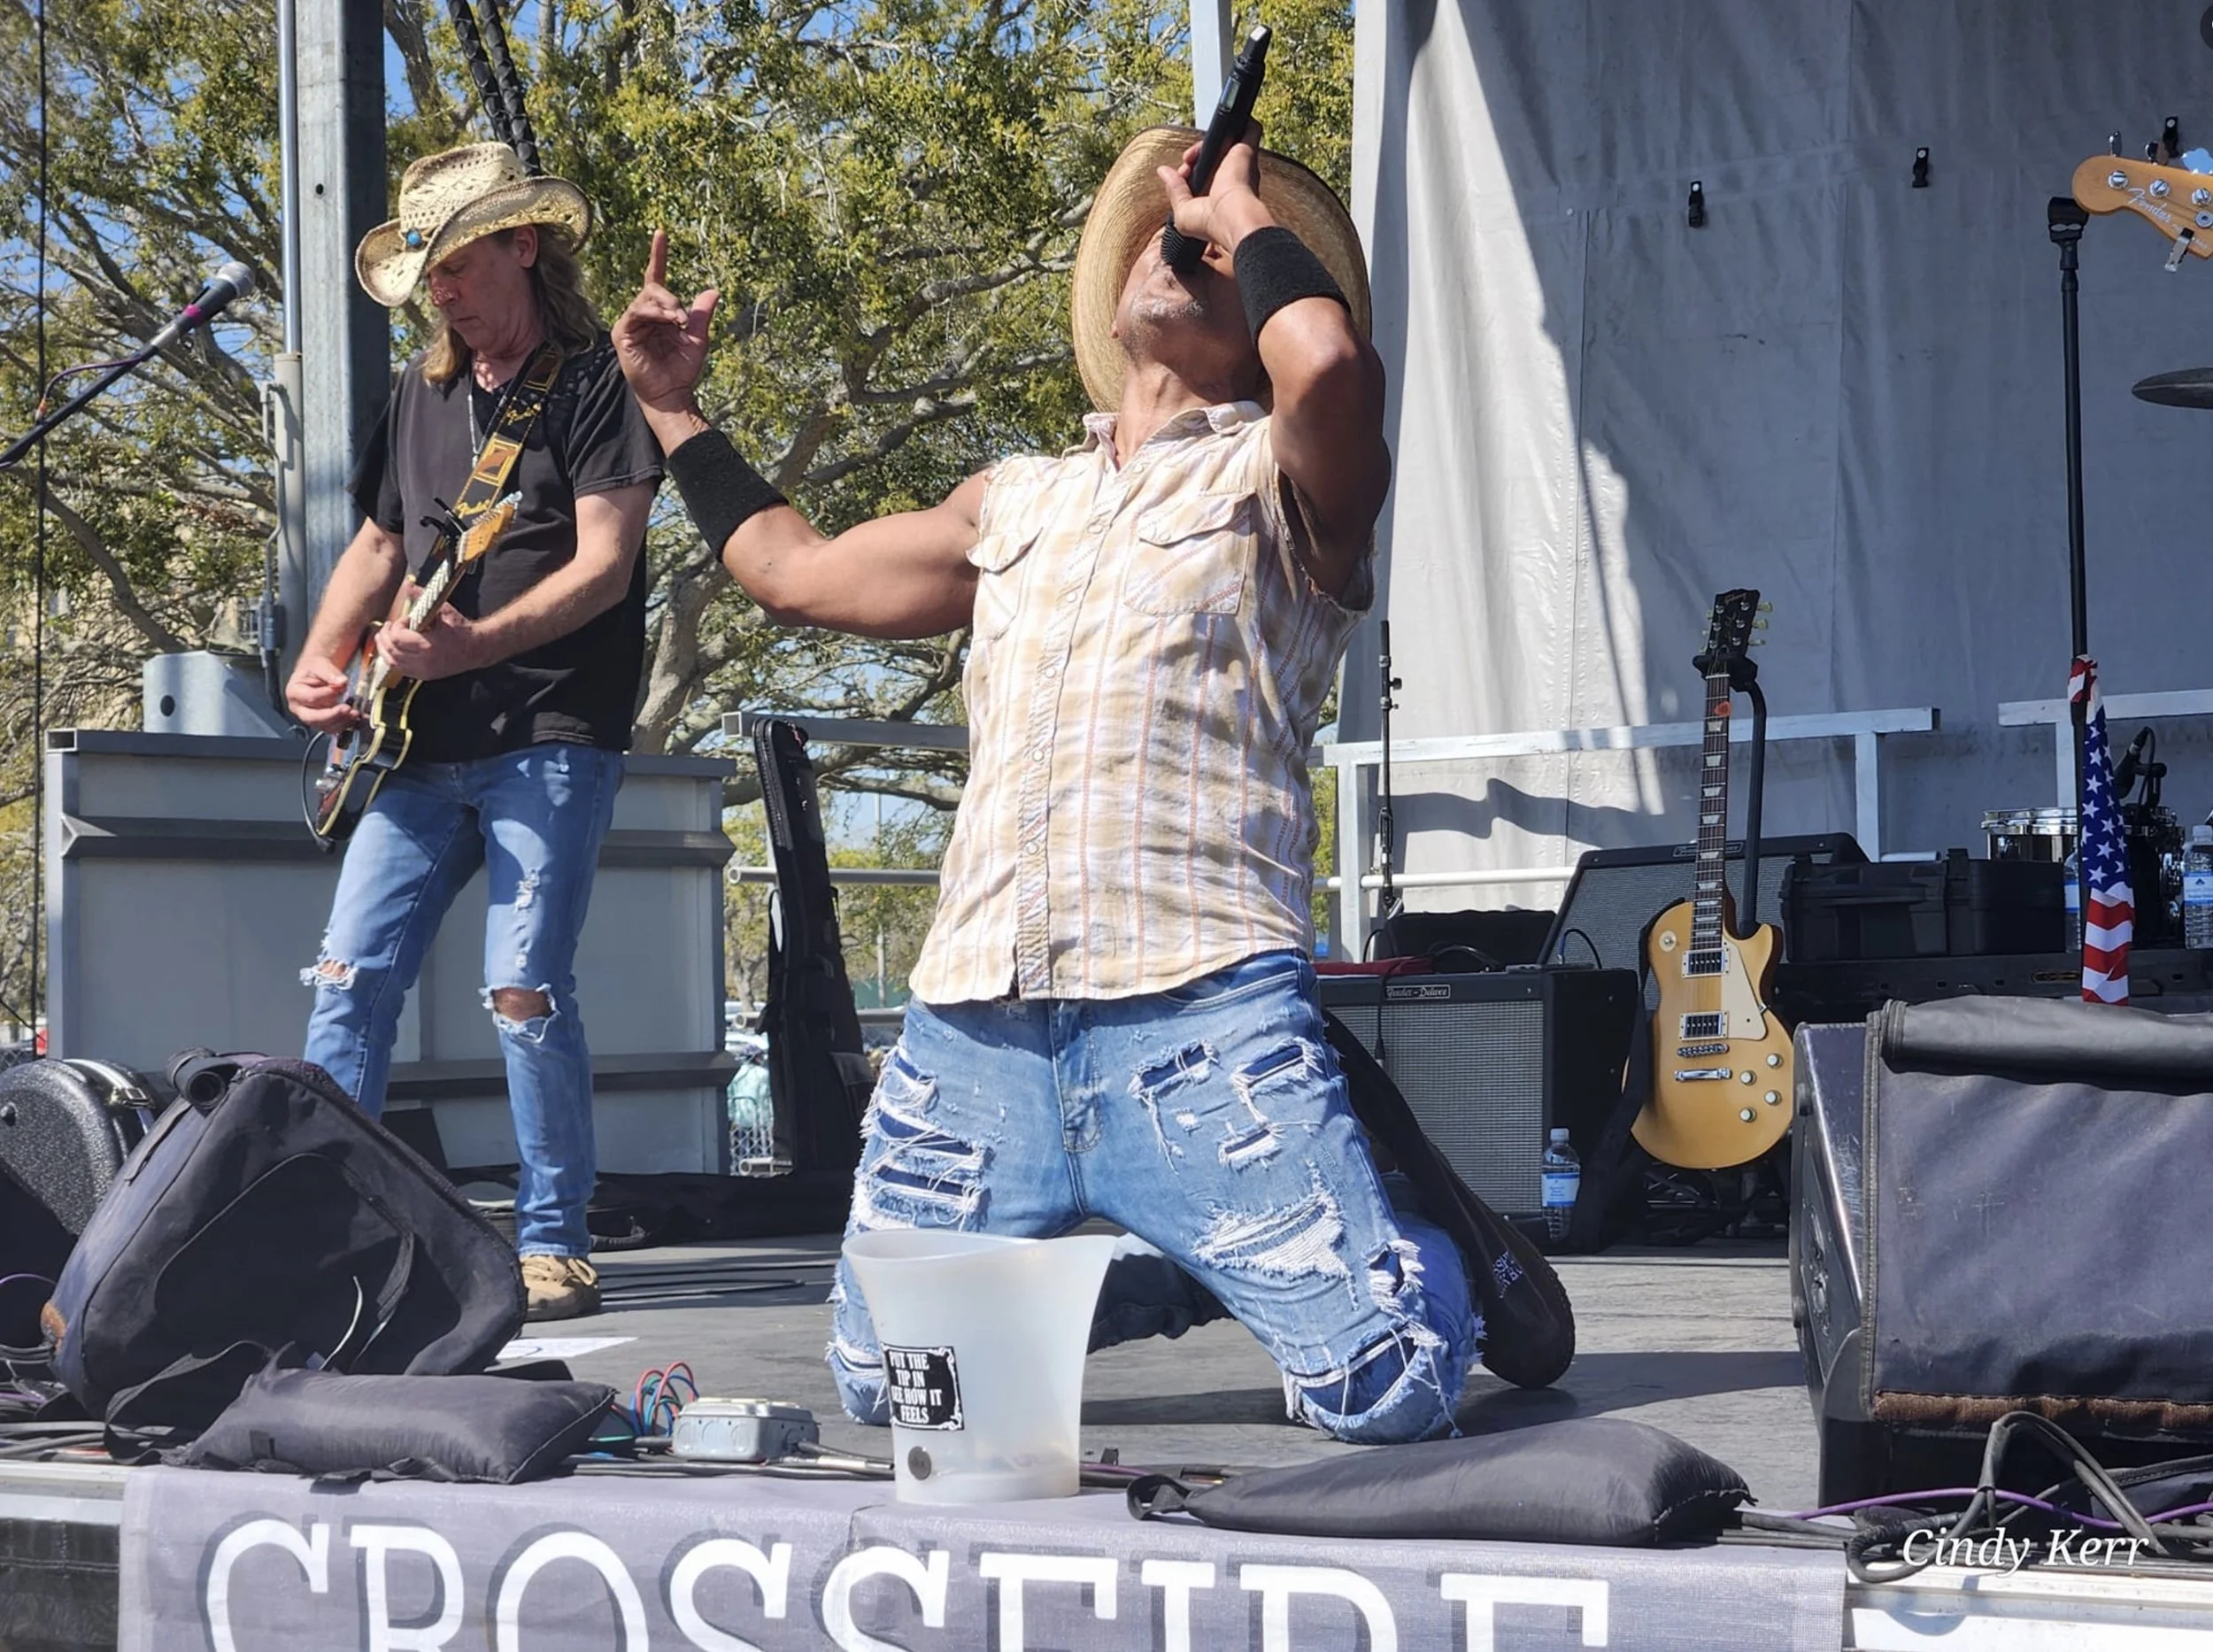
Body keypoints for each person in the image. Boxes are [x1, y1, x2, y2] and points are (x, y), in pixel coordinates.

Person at [615, 127, 1477, 1440]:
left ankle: (1414, 1236)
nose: (1176, 242)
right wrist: (676, 410)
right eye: (1159, 230)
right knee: (893, 1389)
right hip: (978, 1033)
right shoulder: (1014, 499)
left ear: (1253, 307)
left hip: (1199, 1021)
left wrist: (1238, 211)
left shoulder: (1288, 477)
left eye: (1207, 243)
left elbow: (1336, 365)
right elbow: (794, 570)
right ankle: (1181, 1266)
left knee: (1391, 1379)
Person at [286, 143, 663, 1322]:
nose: (438, 289)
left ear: (523, 245)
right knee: (347, 976)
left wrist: (471, 648)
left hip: (551, 729)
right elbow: (381, 545)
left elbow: (606, 566)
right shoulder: (420, 393)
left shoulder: (596, 382)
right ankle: (327, 1227)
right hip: (413, 744)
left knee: (522, 985)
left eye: (454, 263)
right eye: (425, 272)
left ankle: (556, 1240)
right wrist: (321, 651)